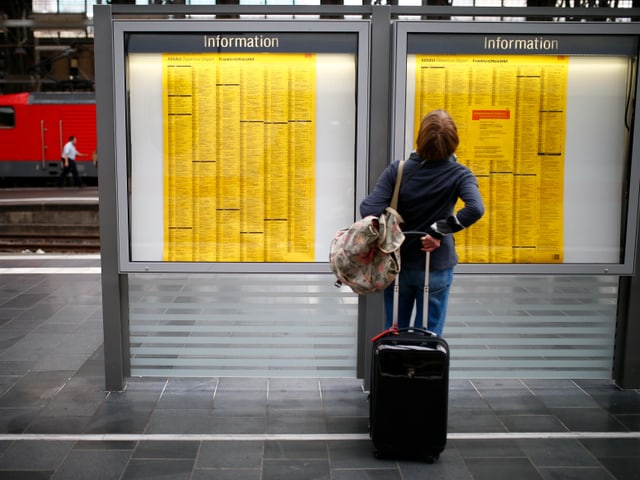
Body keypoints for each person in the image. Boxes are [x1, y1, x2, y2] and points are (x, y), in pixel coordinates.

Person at [360, 109, 485, 335]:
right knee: (429, 333)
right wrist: (438, 231)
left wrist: (393, 229)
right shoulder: (460, 174)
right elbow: (475, 208)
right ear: (454, 142)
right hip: (436, 265)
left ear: (420, 139)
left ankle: (396, 368)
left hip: (399, 263)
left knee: (395, 331)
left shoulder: (398, 171)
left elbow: (369, 209)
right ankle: (422, 370)